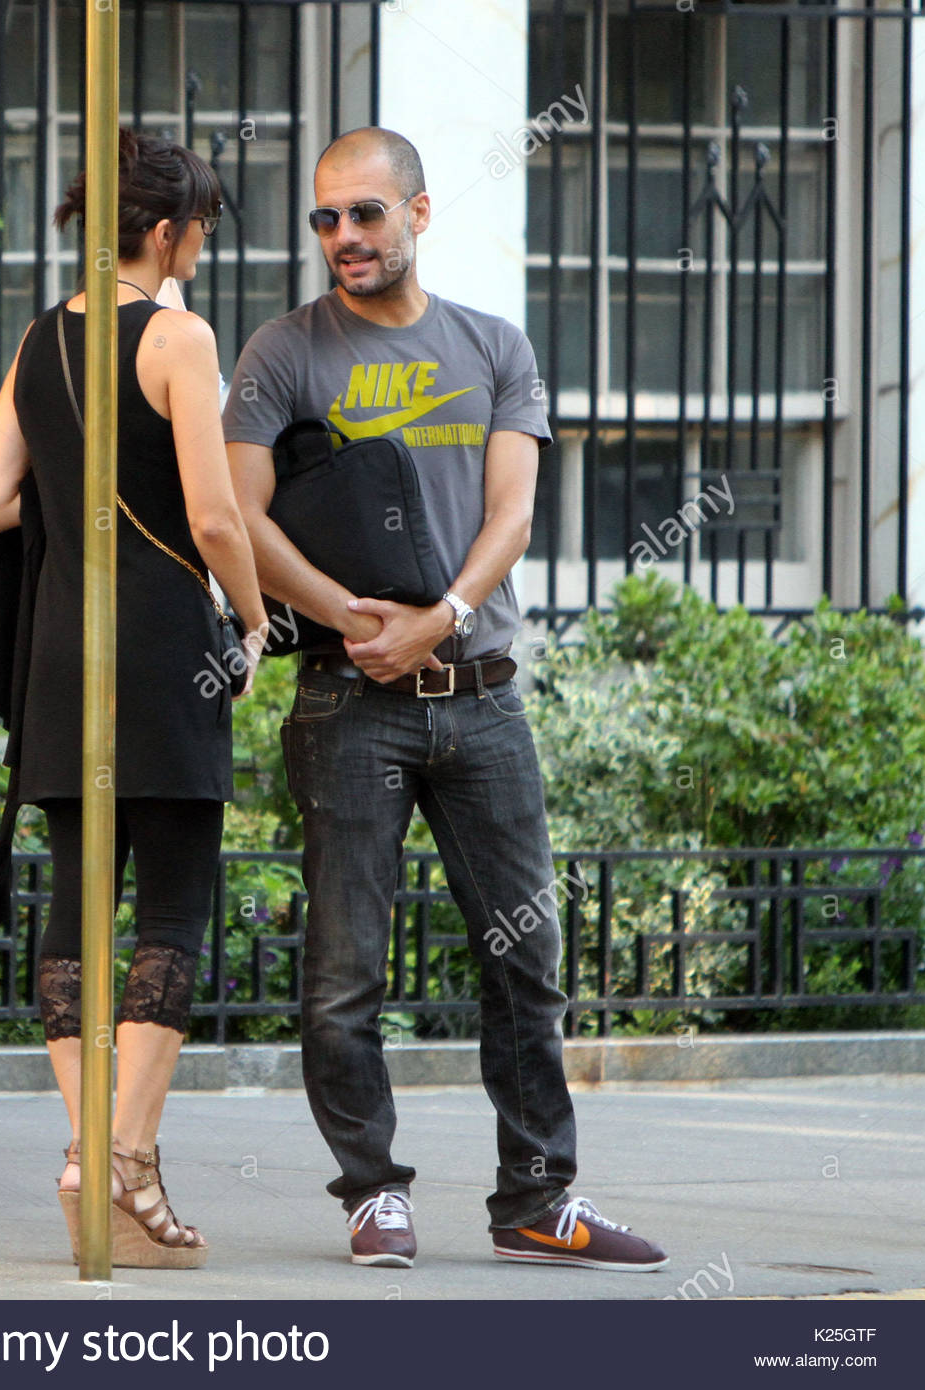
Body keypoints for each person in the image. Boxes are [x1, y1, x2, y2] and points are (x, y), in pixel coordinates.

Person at [223, 127, 667, 1272]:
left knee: (526, 954)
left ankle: (535, 1196)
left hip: (480, 695)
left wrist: (440, 616)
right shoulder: (281, 352)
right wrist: (350, 612)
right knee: (342, 973)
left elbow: (511, 516)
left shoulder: (492, 344)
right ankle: (370, 1192)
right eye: (324, 219)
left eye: (364, 215)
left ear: (416, 215)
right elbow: (241, 517)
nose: (342, 239)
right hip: (344, 700)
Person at [0, 128, 268, 1269]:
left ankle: (83, 1150)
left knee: (74, 906)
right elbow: (212, 517)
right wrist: (249, 620)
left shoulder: (40, 338)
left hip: (59, 651)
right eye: (197, 227)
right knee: (172, 907)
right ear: (161, 231)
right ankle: (126, 1157)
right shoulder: (180, 336)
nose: (198, 246)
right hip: (159, 648)